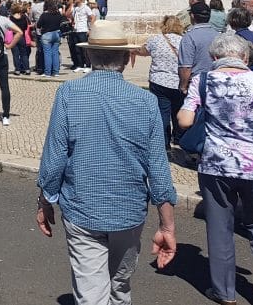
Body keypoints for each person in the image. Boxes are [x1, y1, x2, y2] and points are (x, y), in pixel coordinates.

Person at [36, 20, 177, 305]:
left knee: (91, 293)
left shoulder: (68, 94)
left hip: (82, 207)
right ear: (127, 58)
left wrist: (45, 200)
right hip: (129, 210)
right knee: (120, 285)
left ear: (88, 56)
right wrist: (167, 226)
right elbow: (158, 169)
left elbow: (55, 156)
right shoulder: (147, 102)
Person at [177, 34, 253, 305]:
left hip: (217, 164)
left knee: (220, 227)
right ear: (244, 57)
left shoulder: (204, 80)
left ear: (215, 58)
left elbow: (184, 121)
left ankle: (224, 292)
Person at [134, 15, 184, 147]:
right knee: (178, 111)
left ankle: (164, 142)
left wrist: (132, 50)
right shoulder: (184, 41)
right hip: (178, 81)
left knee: (162, 113)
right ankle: (178, 139)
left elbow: (143, 51)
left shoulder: (155, 40)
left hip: (159, 81)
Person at [177, 2, 220, 96]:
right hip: (216, 82)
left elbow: (186, 66)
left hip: (196, 85)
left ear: (192, 16)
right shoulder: (219, 35)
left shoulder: (189, 37)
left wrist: (183, 86)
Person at [36, 0, 63, 77]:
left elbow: (38, 25)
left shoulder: (44, 15)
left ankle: (47, 72)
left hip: (47, 34)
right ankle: (56, 72)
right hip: (57, 34)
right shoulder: (58, 14)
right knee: (55, 53)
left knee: (47, 54)